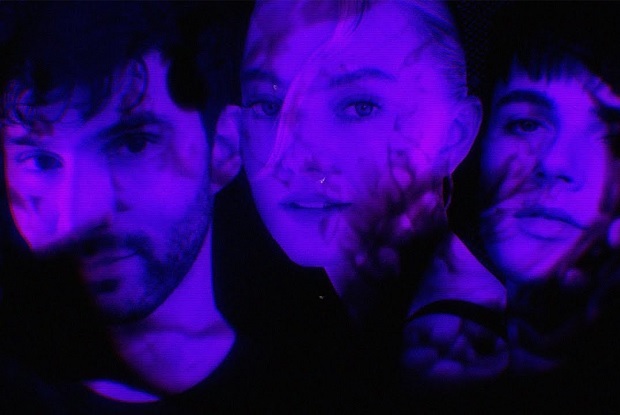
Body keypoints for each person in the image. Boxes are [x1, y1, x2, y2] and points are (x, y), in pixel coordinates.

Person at [219, 0, 506, 402]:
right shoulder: (302, 317)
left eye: (360, 107)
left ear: (454, 134)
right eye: (269, 105)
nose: (299, 156)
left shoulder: (454, 357)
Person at [0, 2, 261, 412]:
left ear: (224, 148)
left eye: (133, 144)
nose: (80, 212)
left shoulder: (313, 387)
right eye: (42, 161)